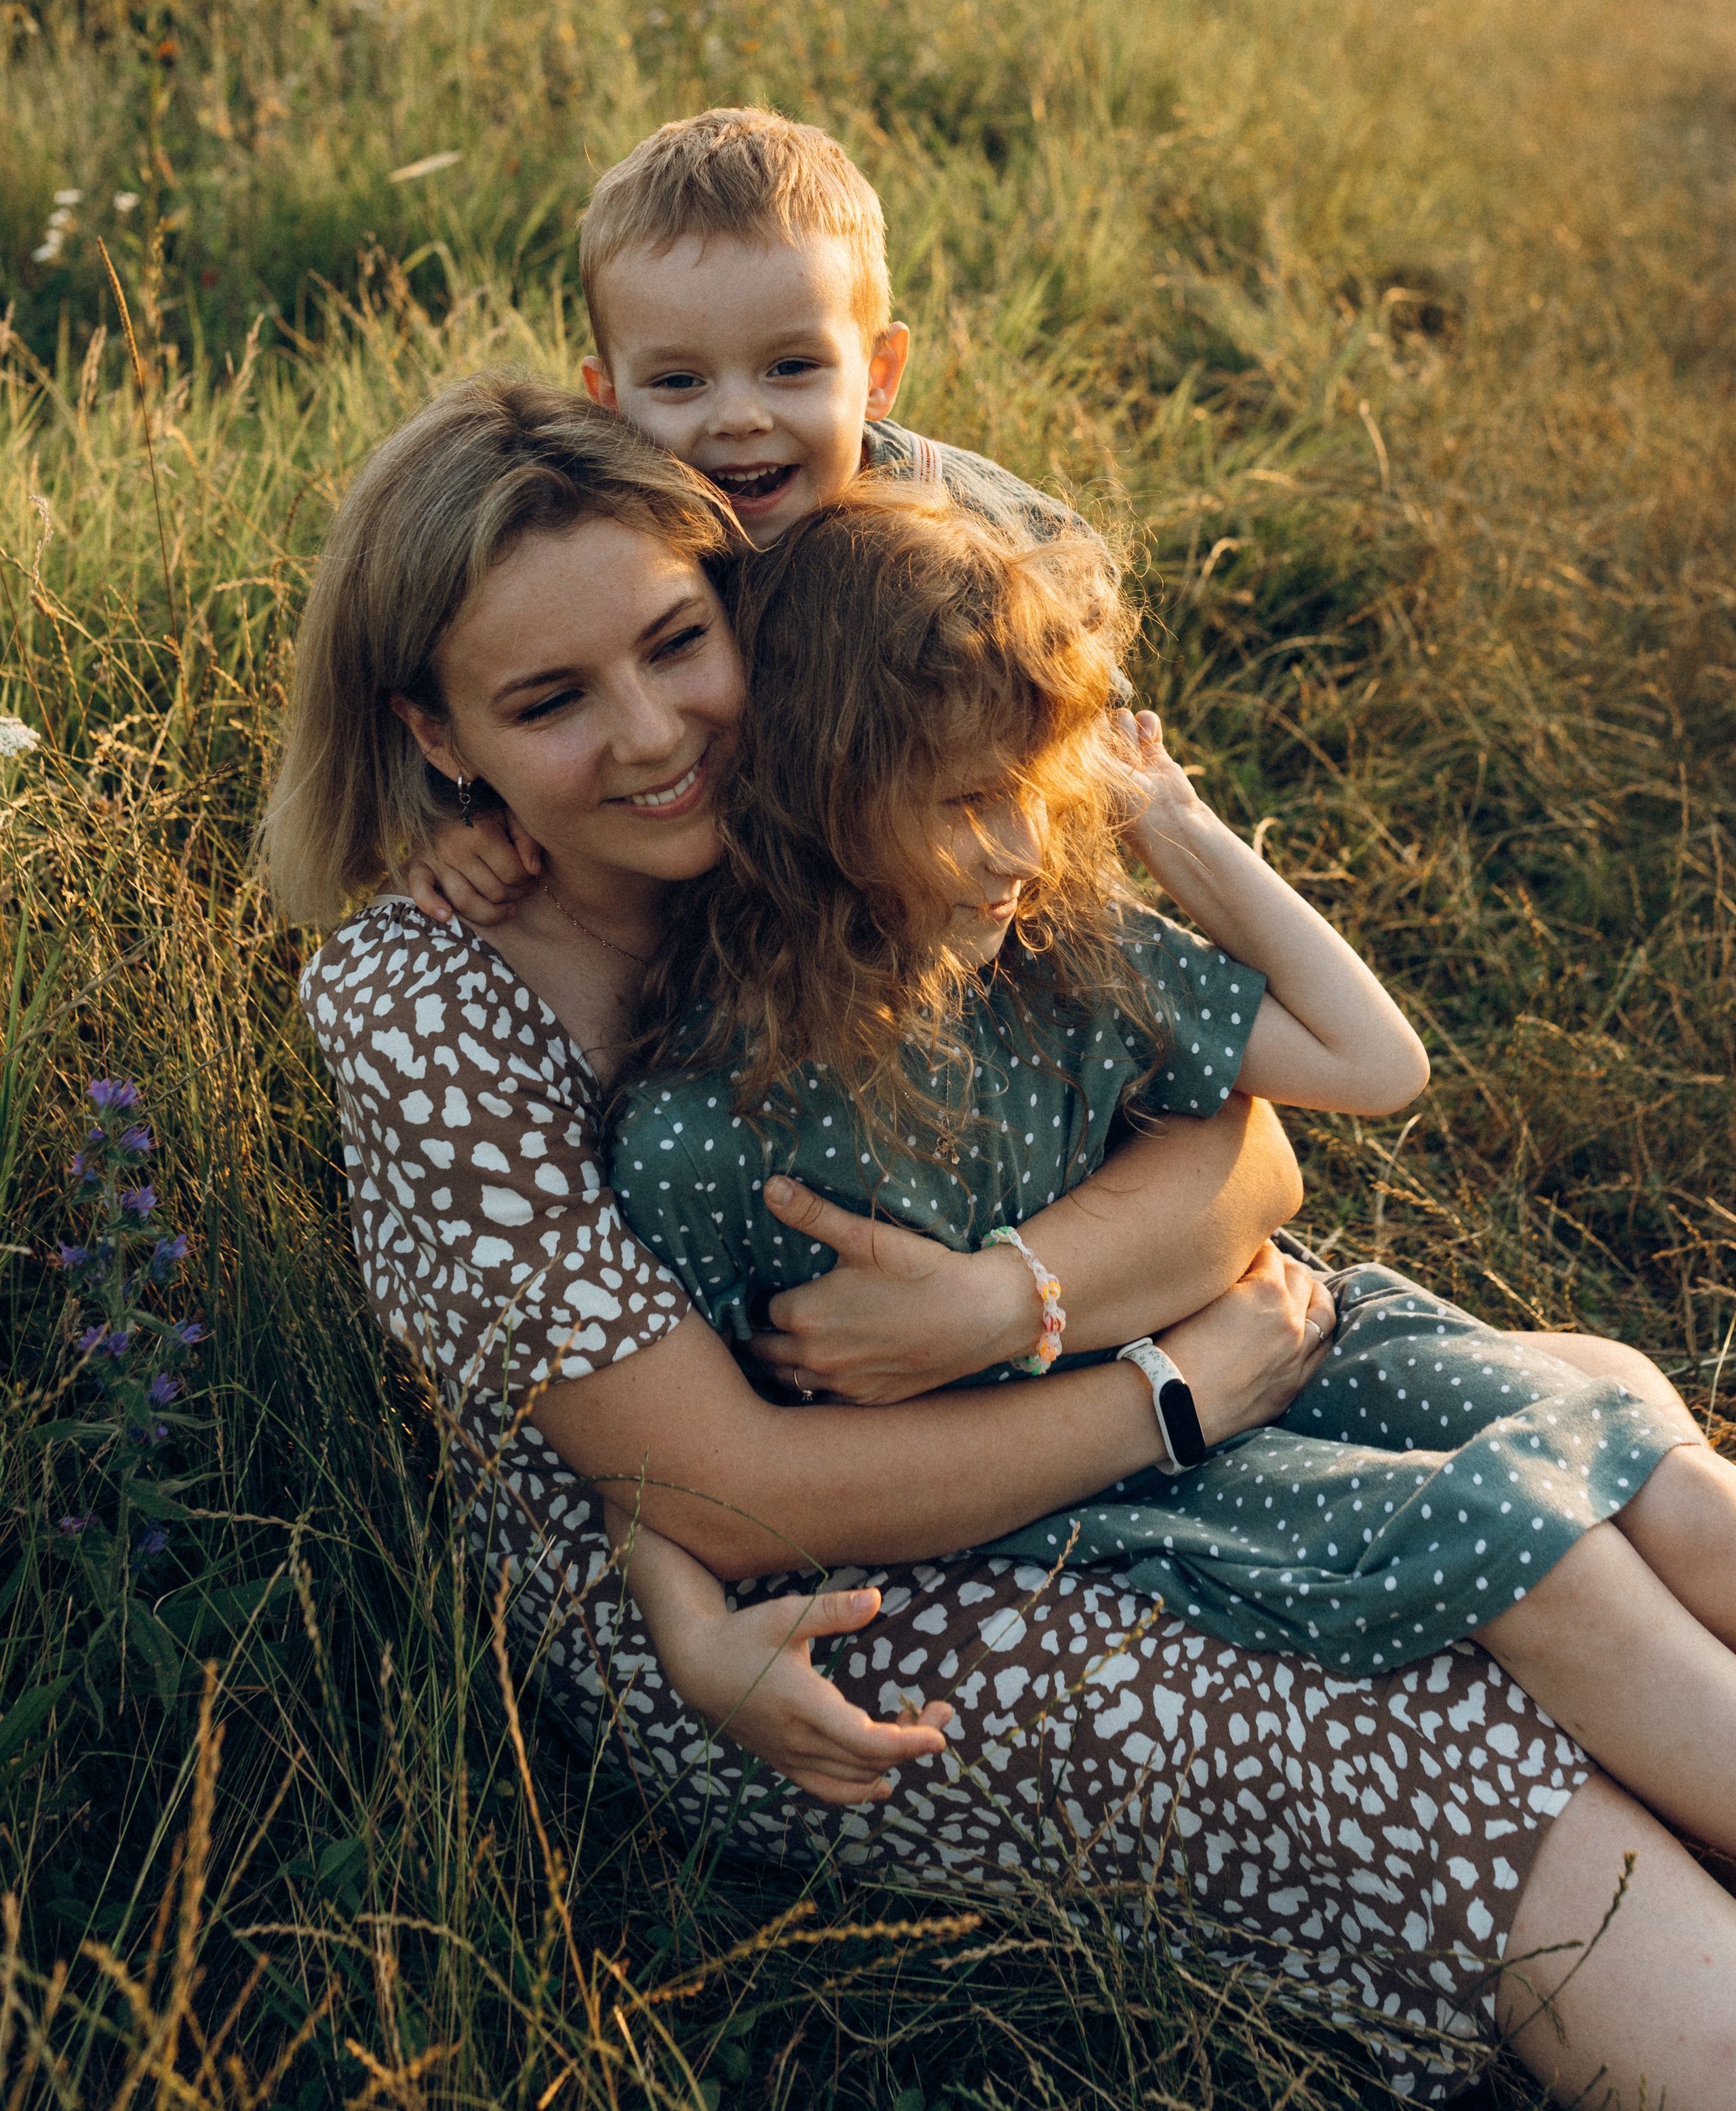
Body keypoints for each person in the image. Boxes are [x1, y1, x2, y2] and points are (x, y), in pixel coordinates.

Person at [269, 374, 1736, 2111]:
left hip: (1077, 1402)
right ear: (438, 735)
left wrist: (1010, 1299)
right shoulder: (434, 999)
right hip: (779, 1615)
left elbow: (1246, 1155)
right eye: (548, 700)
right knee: (1424, 1710)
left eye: (678, 641)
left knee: (1569, 1415)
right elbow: (724, 1486)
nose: (654, 732)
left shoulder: (851, 819)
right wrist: (1173, 1383)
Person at [608, 481, 1691, 1680]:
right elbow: (671, 1459)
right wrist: (688, 1626)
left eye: (1036, 785)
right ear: (820, 797)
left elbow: (1374, 1064)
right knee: (1541, 1531)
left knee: (1656, 1464)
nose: (1023, 847)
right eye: (969, 803)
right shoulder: (704, 1131)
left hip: (1266, 1347)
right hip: (1096, 1486)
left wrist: (1171, 821)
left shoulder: (1045, 946)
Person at [404, 103, 1091, 932]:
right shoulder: (625, 537)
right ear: (609, 400)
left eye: (791, 367)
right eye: (679, 383)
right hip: (775, 901)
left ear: (877, 373)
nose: (738, 418)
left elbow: (1079, 665)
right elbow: (506, 685)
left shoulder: (952, 522)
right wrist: (460, 819)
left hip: (980, 886)